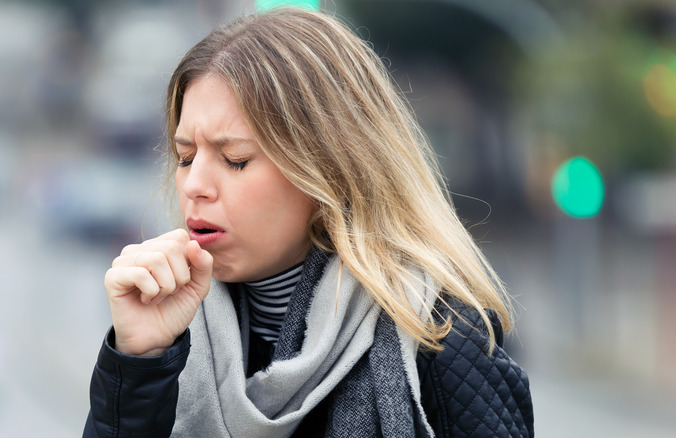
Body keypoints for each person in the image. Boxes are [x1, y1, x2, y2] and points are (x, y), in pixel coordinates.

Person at [83, 7, 533, 438]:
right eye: (185, 157)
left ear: (329, 170)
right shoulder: (167, 333)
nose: (194, 184)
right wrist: (138, 361)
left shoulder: (443, 336)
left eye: (234, 160)